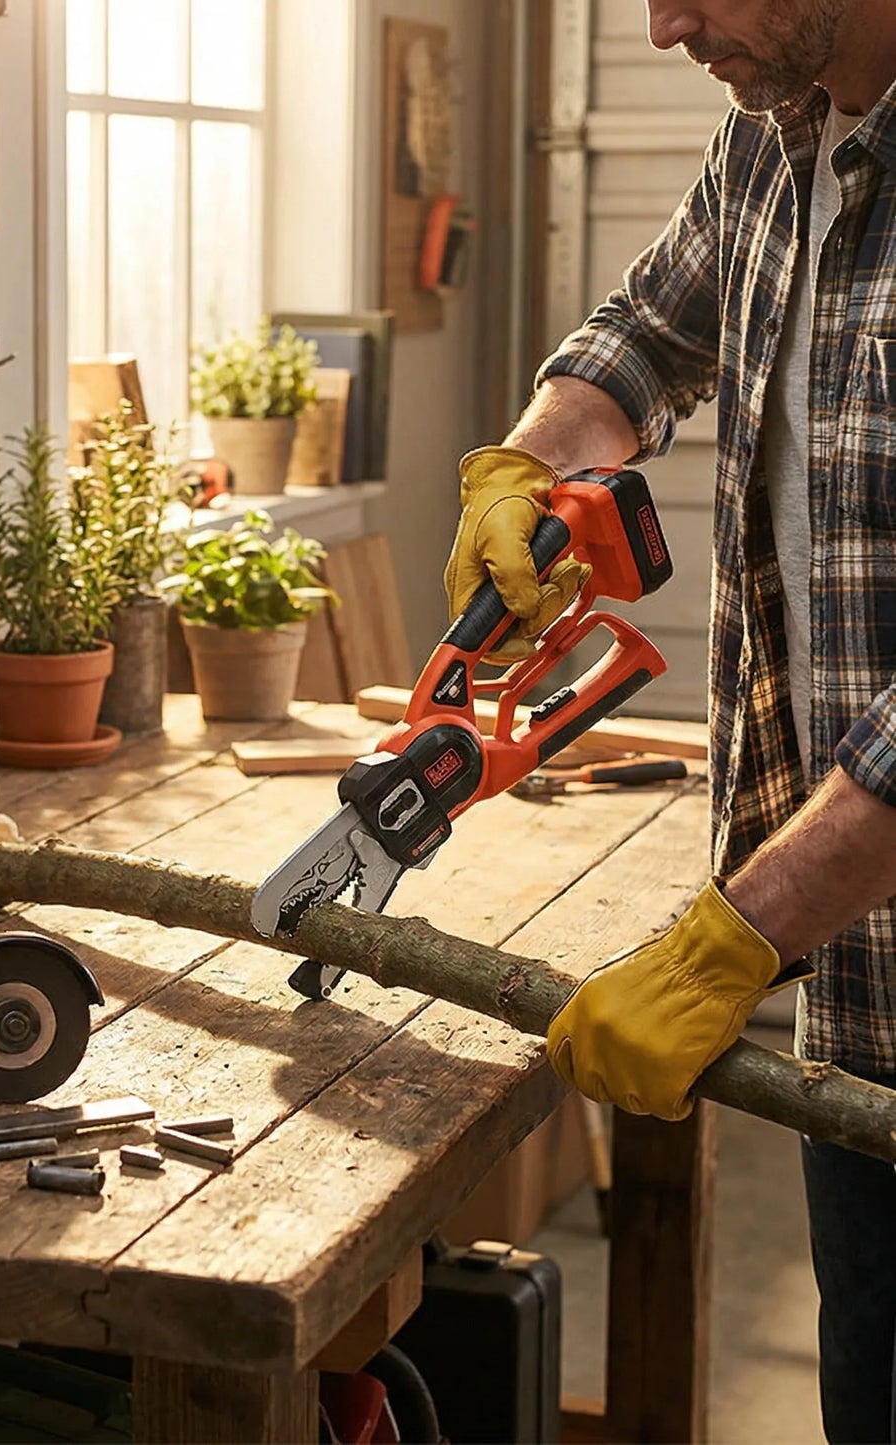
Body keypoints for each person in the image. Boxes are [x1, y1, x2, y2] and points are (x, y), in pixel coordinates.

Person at [444, 2, 896, 1438]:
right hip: (868, 992)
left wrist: (736, 935)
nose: (658, 25)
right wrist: (522, 468)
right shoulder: (776, 131)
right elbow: (646, 330)